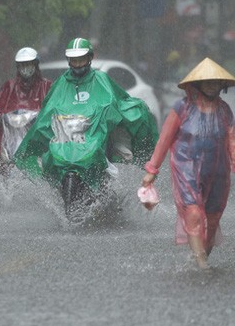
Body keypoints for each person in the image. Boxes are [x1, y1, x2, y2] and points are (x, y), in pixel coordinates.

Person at [14, 38, 157, 218]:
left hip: (95, 134)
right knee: (50, 158)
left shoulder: (101, 79)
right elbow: (47, 110)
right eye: (74, 60)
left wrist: (109, 114)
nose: (77, 64)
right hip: (66, 137)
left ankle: (105, 190)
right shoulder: (61, 83)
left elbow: (116, 102)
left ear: (89, 58)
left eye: (81, 59)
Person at [141, 57, 235, 270]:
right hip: (186, 169)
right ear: (197, 83)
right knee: (193, 213)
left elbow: (234, 141)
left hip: (218, 172)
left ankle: (201, 257)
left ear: (221, 85)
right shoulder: (182, 108)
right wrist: (152, 170)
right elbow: (164, 140)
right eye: (206, 81)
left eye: (215, 81)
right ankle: (202, 265)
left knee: (213, 217)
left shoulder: (224, 110)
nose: (211, 85)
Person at [0, 47, 52, 175]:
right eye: (22, 65)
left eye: (29, 64)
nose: (26, 68)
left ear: (35, 65)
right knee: (2, 160)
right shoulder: (9, 87)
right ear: (17, 67)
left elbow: (54, 108)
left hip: (37, 140)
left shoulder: (46, 86)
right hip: (12, 138)